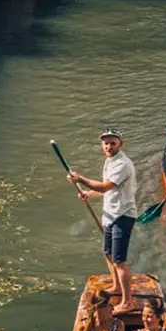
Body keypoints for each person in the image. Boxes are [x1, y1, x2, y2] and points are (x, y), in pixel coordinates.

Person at [69, 129, 139, 314]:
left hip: (122, 216)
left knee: (119, 261)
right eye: (105, 143)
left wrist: (80, 179)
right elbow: (106, 190)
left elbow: (107, 185)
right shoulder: (109, 161)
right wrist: (88, 193)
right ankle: (116, 286)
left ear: (120, 144)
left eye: (112, 143)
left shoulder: (123, 164)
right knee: (107, 253)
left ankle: (127, 302)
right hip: (109, 214)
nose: (108, 146)